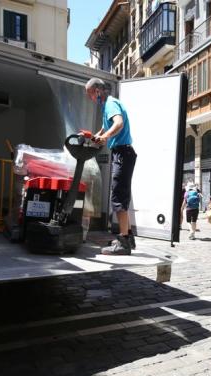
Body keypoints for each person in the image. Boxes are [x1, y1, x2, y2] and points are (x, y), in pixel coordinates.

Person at [84, 77, 136, 255]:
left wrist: (105, 137)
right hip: (123, 153)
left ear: (97, 91)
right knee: (122, 196)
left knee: (118, 197)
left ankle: (123, 243)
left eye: (90, 95)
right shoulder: (108, 106)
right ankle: (128, 236)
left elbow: (118, 123)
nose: (91, 99)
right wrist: (92, 137)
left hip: (122, 153)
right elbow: (104, 128)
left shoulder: (110, 104)